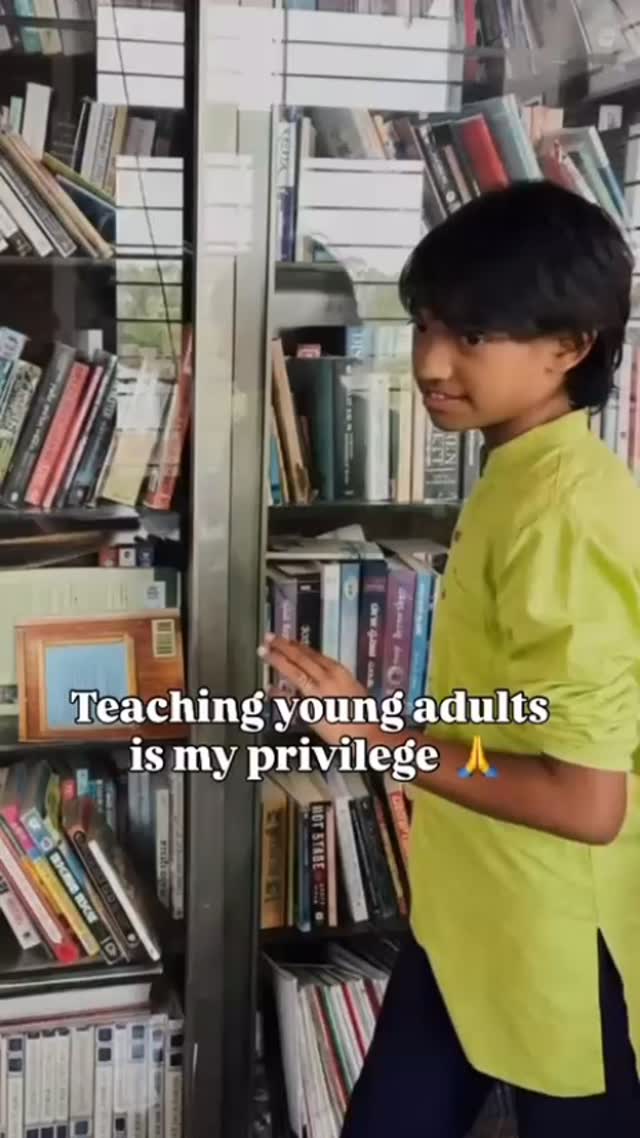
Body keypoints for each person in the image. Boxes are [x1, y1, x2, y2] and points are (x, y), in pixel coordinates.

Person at [258, 179, 640, 1137]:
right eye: (427, 325)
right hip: (473, 914)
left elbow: (586, 801)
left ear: (569, 346)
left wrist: (380, 739)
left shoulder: (564, 510)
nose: (430, 362)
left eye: (472, 335)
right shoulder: (521, 475)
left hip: (559, 941)